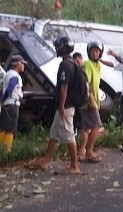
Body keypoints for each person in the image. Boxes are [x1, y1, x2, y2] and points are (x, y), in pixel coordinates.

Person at [38, 36, 80, 175]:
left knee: (69, 135)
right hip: (65, 106)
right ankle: (45, 162)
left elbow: (64, 87)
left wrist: (61, 105)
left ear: (63, 47)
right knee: (54, 134)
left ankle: (74, 166)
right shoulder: (72, 63)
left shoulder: (65, 65)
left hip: (66, 107)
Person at [78, 42, 105, 163]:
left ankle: (81, 152)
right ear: (89, 53)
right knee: (96, 126)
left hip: (88, 100)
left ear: (100, 52)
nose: (95, 53)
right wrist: (91, 100)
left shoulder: (98, 65)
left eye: (97, 51)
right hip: (89, 101)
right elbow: (86, 82)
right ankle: (89, 151)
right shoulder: (88, 64)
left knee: (86, 127)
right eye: (92, 51)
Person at [0, 55, 27, 152]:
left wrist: (0, 99)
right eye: (22, 63)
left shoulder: (7, 74)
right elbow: (9, 89)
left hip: (6, 104)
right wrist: (3, 99)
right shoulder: (16, 76)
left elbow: (3, 89)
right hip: (12, 104)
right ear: (17, 64)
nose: (23, 66)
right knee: (10, 128)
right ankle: (6, 150)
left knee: (2, 127)